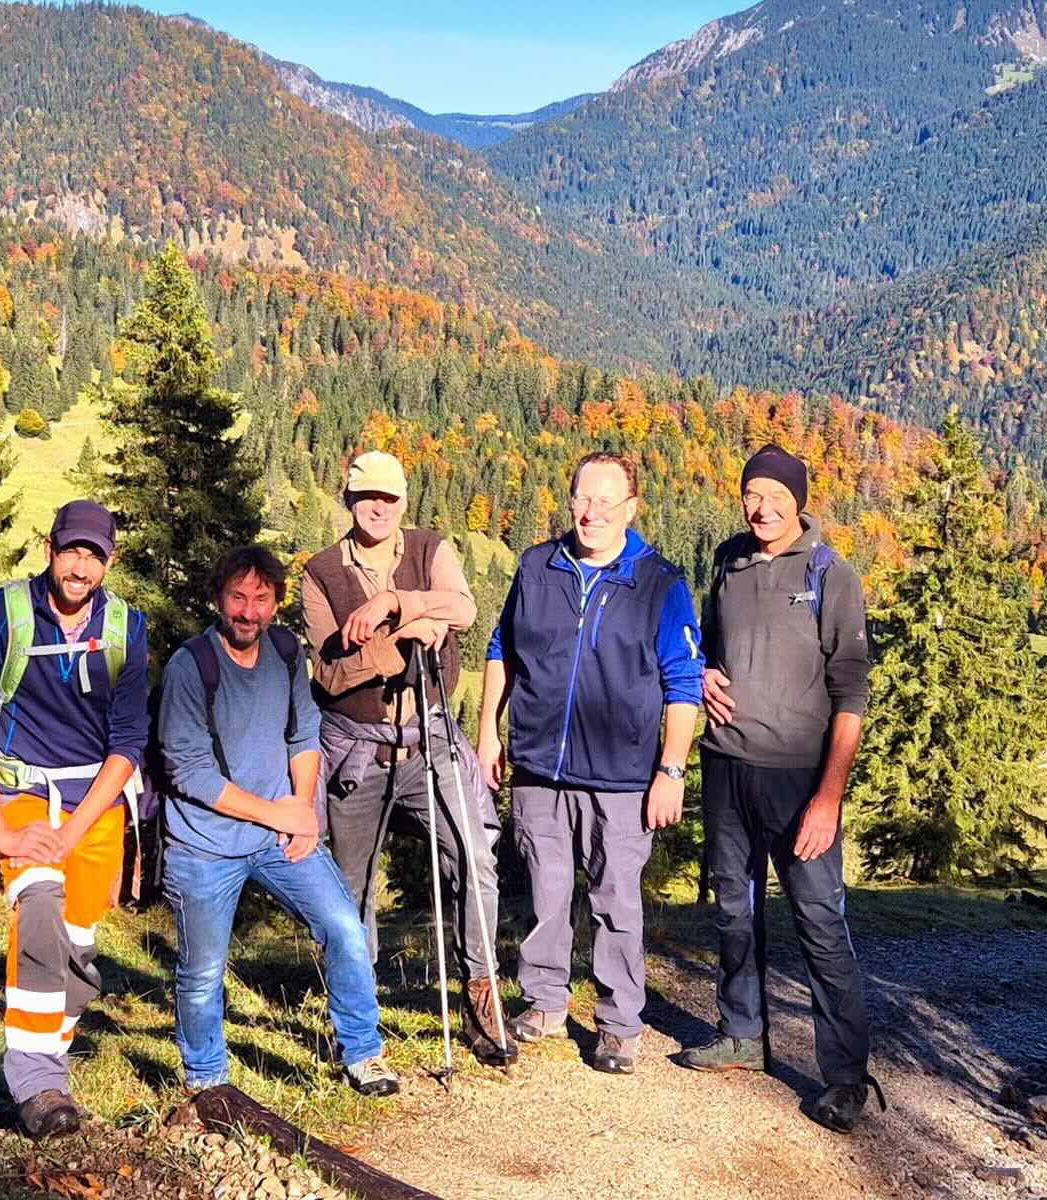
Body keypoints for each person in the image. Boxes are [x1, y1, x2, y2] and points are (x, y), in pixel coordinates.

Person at [678, 444, 881, 1133]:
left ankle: (847, 1078)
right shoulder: (728, 563)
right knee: (734, 911)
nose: (761, 508)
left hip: (800, 782)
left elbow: (851, 693)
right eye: (751, 494)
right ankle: (741, 1033)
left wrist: (829, 798)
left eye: (774, 495)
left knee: (820, 922)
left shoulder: (832, 574)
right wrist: (703, 673)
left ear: (798, 499)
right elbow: (707, 647)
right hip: (727, 767)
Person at [478, 452, 702, 1074]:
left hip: (624, 778)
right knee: (546, 894)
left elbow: (683, 684)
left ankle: (619, 1023)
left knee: (616, 902)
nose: (592, 511)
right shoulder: (537, 567)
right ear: (570, 499)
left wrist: (671, 770)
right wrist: (488, 735)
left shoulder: (660, 583)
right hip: (539, 769)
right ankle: (546, 1003)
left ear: (631, 508)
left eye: (607, 500)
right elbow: (503, 648)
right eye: (583, 497)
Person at [159, 544, 400, 1097]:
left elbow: (304, 734)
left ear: (276, 602)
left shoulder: (288, 652)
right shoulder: (190, 666)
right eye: (238, 598)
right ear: (218, 599)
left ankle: (364, 1052)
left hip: (279, 834)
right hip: (204, 844)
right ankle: (207, 1082)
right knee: (201, 974)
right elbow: (187, 771)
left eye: (261, 599)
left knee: (344, 929)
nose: (248, 612)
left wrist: (305, 814)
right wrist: (281, 813)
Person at [301, 450, 515, 1067]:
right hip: (356, 750)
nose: (379, 507)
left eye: (389, 498)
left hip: (431, 735)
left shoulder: (429, 547)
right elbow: (329, 673)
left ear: (404, 501)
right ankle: (357, 1015)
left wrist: (394, 604)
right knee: (352, 887)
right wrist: (402, 640)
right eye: (367, 496)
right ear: (349, 499)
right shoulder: (319, 573)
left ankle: (480, 990)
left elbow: (465, 609)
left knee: (473, 853)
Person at [0, 499, 148, 1140]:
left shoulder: (126, 627)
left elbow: (127, 745)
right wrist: (1, 831)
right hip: (25, 794)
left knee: (79, 952)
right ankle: (38, 1086)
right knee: (38, 915)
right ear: (50, 549)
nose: (80, 566)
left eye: (94, 554)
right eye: (71, 550)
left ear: (108, 562)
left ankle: (46, 1051)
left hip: (96, 801)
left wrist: (77, 827)